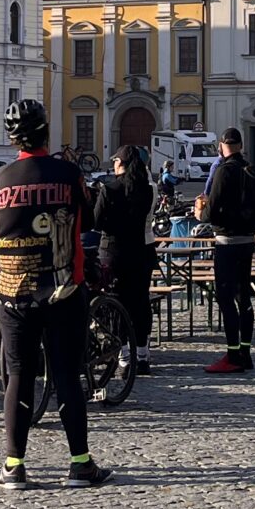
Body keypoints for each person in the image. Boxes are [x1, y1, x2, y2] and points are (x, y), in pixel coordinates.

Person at [0, 100, 107, 489]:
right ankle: (80, 463)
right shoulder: (68, 173)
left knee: (19, 377)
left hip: (12, 292)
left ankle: (13, 465)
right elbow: (87, 221)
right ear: (46, 131)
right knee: (67, 376)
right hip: (62, 289)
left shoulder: (1, 179)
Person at [198, 128, 255, 375]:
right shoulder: (254, 171)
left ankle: (232, 354)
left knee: (226, 298)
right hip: (248, 239)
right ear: (241, 145)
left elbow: (211, 209)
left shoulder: (224, 171)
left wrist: (200, 213)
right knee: (244, 298)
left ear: (222, 146)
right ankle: (246, 352)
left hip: (226, 241)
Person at [94, 144, 158, 371]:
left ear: (120, 164)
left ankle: (122, 356)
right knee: (140, 302)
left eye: (115, 162)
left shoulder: (109, 189)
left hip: (113, 253)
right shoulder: (149, 189)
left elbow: (97, 221)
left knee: (116, 304)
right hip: (140, 251)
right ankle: (142, 354)